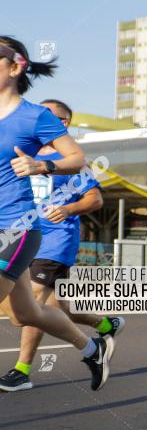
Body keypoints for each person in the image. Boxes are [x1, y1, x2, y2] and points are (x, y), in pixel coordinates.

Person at [0, 36, 112, 391]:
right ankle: (92, 347)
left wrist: (41, 165)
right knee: (26, 314)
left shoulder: (36, 117)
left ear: (16, 66)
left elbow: (77, 159)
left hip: (15, 227)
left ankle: (23, 371)